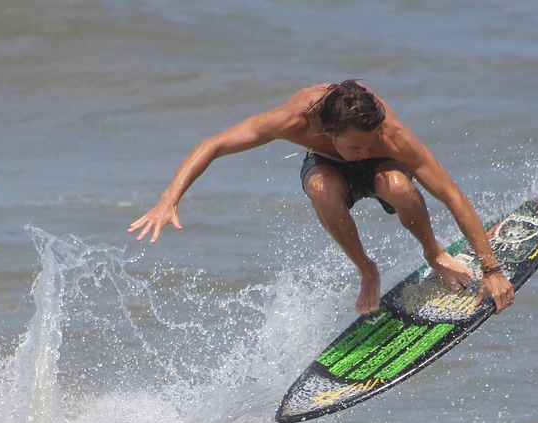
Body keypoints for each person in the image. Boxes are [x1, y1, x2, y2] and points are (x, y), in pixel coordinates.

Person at [129, 80, 515, 315]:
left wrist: (491, 270)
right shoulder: (293, 120)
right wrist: (169, 199)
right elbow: (213, 144)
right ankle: (367, 270)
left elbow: (451, 195)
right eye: (356, 147)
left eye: (371, 142)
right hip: (327, 169)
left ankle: (432, 251)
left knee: (399, 186)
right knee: (321, 189)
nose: (365, 150)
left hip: (388, 170)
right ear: (328, 132)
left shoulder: (388, 136)